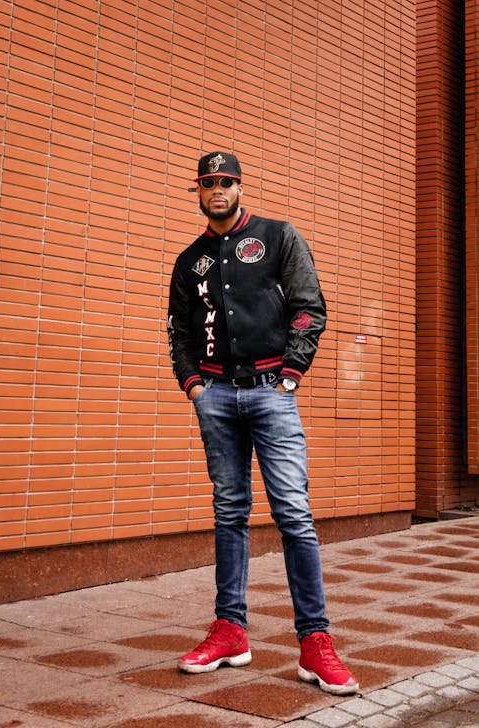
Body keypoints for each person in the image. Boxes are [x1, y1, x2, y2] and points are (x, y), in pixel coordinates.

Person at [167, 151, 359, 695]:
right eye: (209, 183)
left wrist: (293, 375)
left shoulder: (278, 237)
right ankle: (230, 631)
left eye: (227, 181)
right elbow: (178, 333)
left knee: (294, 513)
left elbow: (309, 307)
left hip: (272, 393)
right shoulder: (190, 260)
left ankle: (315, 644)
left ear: (240, 186)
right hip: (217, 397)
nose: (219, 189)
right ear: (199, 192)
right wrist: (195, 389)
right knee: (229, 511)